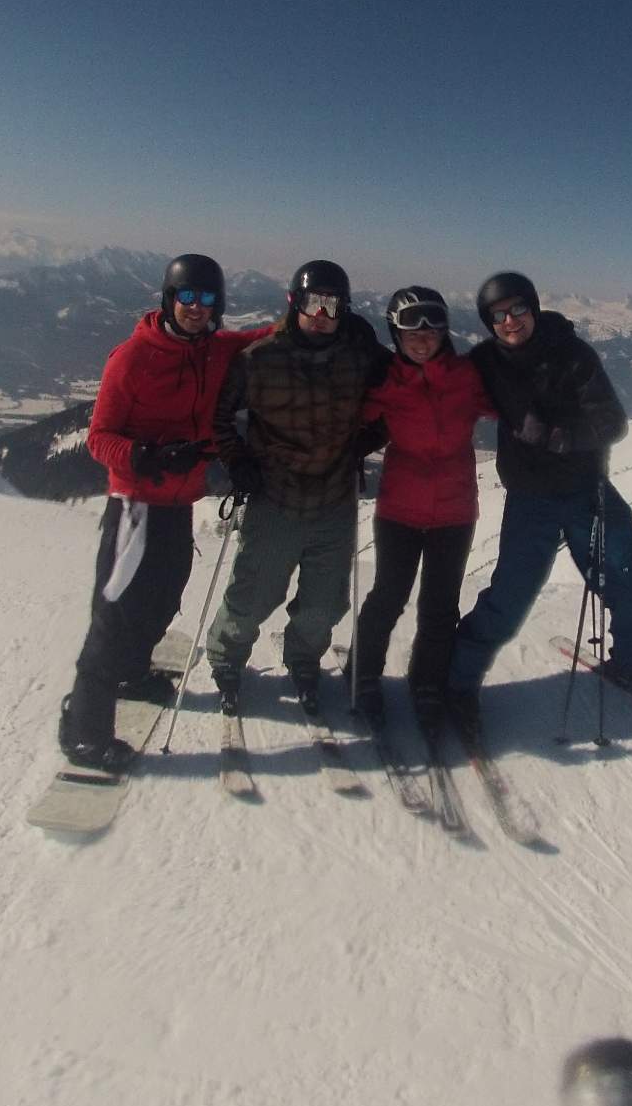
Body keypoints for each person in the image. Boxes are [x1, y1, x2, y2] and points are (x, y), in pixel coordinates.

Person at [56, 254, 270, 772]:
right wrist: (143, 456)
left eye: (207, 299)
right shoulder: (131, 358)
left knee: (166, 592)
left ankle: (132, 672)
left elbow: (267, 336)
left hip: (179, 502)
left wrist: (317, 312)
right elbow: (99, 438)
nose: (196, 308)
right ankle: (83, 730)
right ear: (169, 299)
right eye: (187, 298)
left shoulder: (216, 349)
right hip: (135, 504)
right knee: (115, 612)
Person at [445, 271, 632, 724]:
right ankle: (455, 681)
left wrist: (558, 437)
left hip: (587, 491)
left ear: (533, 308)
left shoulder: (572, 354)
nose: (510, 321)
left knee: (630, 575)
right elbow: (442, 385)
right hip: (531, 499)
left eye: (518, 309)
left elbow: (612, 422)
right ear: (489, 323)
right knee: (510, 598)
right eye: (498, 316)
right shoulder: (487, 361)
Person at [205, 259, 389, 717]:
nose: (321, 314)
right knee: (254, 593)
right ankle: (227, 658)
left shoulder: (359, 356)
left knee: (325, 602)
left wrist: (369, 439)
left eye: (333, 305)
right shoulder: (260, 358)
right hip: (276, 496)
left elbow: (398, 397)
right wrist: (237, 460)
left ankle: (304, 658)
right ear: (294, 302)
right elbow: (220, 417)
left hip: (334, 499)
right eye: (313, 302)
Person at [349, 286, 496, 727]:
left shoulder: (467, 376)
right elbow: (345, 417)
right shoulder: (386, 381)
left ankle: (428, 680)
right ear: (395, 333)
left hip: (455, 511)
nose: (422, 337)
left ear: (445, 330)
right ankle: (363, 673)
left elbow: (511, 403)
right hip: (400, 509)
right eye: (410, 329)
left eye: (432, 327)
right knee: (389, 595)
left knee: (440, 604)